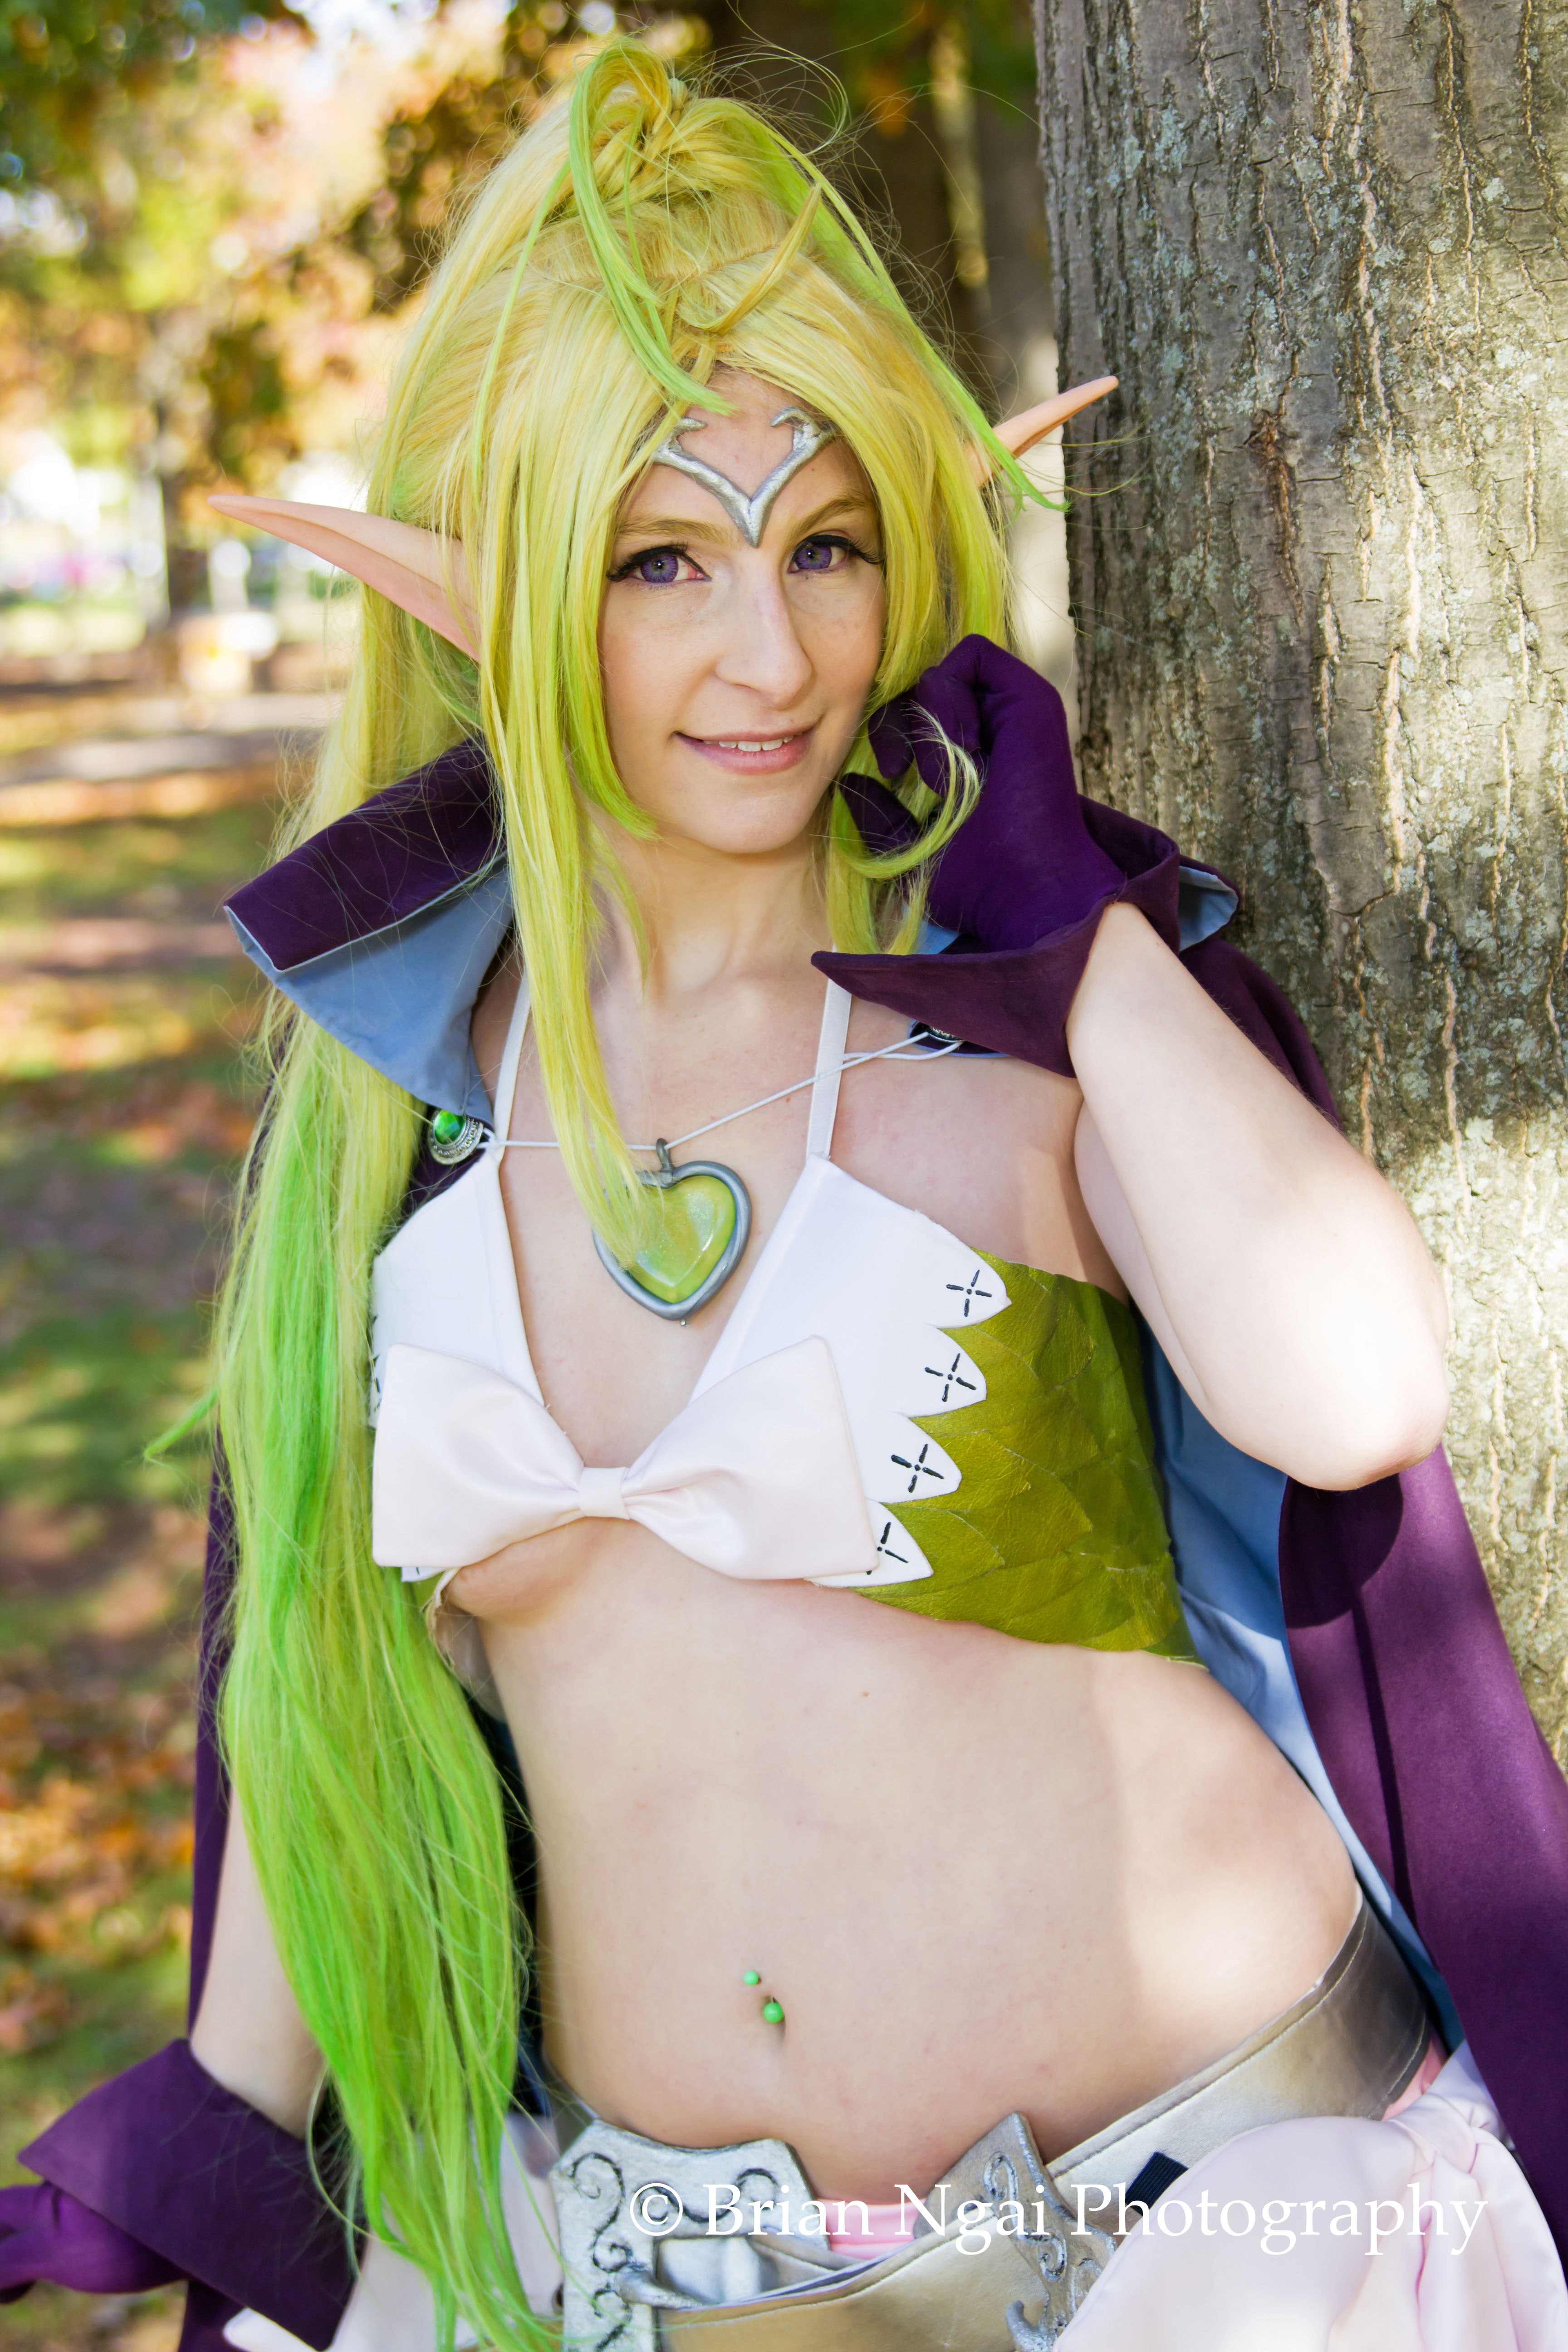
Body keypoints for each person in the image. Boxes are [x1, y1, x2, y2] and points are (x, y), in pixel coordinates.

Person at [5, 40, 1567, 2352]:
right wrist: (225, 2134)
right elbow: (318, 1705)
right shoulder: (396, 1127)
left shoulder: (1029, 1015)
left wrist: (1070, 920)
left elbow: (1350, 1397)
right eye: (663, 562)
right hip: (661, 2282)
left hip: (1227, 2244)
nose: (771, 656)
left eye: (826, 545)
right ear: (498, 589)